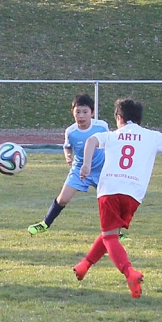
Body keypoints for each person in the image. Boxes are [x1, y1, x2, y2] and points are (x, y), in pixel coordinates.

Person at [75, 99, 162, 298]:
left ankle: (129, 273)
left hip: (110, 189)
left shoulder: (113, 135)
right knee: (110, 232)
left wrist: (87, 165)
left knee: (109, 236)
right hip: (134, 193)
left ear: (119, 118)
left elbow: (91, 141)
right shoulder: (152, 136)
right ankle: (85, 265)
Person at [28, 94, 109, 235]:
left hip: (101, 170)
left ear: (92, 113)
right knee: (63, 199)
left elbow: (110, 143)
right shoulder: (71, 131)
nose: (81, 116)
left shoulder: (101, 126)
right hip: (79, 170)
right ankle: (45, 224)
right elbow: (67, 146)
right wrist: (68, 155)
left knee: (108, 201)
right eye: (78, 112)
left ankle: (116, 232)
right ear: (72, 112)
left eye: (85, 112)